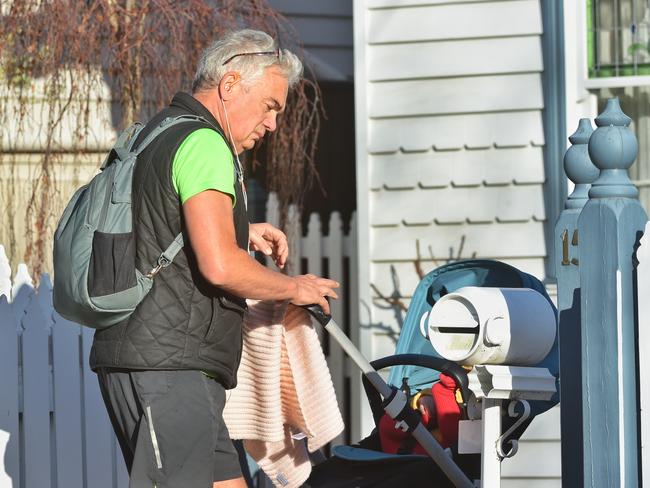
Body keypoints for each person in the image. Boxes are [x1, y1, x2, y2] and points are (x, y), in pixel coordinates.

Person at [90, 29, 339, 488]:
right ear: (229, 86)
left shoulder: (159, 131)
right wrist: (294, 288)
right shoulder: (205, 144)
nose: (273, 125)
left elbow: (158, 224)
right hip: (169, 372)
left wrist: (240, 230)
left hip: (166, 366)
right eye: (270, 106)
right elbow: (219, 266)